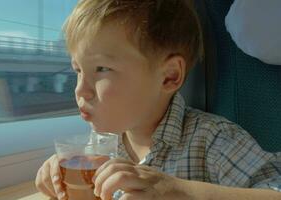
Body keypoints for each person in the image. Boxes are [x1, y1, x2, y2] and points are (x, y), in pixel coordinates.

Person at [35, 0, 281, 199]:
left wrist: (180, 191)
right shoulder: (100, 144)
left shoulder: (214, 139)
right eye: (78, 71)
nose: (80, 91)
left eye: (101, 69)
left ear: (169, 76)